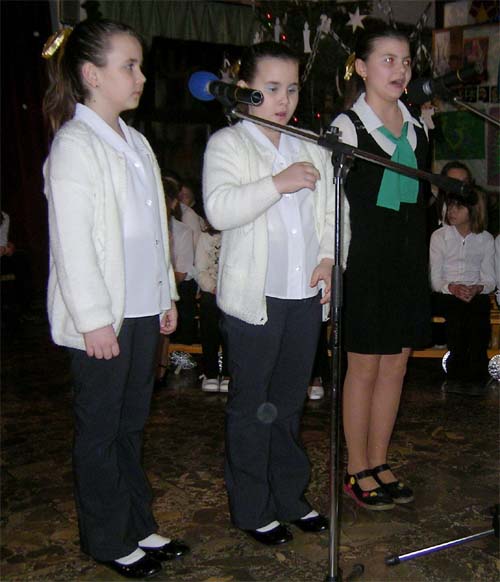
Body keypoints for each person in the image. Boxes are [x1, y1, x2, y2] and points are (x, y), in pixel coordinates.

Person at [42, 19, 188, 579]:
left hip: (142, 309)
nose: (141, 76)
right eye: (129, 65)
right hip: (103, 319)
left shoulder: (136, 141)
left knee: (131, 424)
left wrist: (165, 293)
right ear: (91, 75)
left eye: (140, 65)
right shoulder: (74, 145)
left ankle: (137, 523)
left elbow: (153, 233)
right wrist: (94, 320)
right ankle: (107, 538)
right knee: (100, 431)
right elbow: (73, 244)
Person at [203, 41, 339, 545]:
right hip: (254, 300)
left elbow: (332, 212)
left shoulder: (310, 145)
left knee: (288, 404)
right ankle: (252, 507)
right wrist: (276, 184)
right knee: (251, 407)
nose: (284, 100)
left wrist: (329, 257)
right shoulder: (229, 144)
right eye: (272, 88)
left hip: (303, 296)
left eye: (293, 89)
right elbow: (219, 209)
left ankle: (289, 497)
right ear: (245, 90)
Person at [332, 21, 431, 510]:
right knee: (365, 367)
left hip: (408, 261)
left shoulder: (418, 127)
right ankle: (356, 468)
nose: (400, 69)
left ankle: (380, 460)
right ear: (361, 67)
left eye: (405, 61)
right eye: (388, 59)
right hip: (366, 264)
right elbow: (330, 209)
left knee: (397, 364)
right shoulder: (347, 129)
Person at [430, 186, 495, 383]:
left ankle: (477, 372)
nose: (452, 211)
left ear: (473, 210)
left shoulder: (485, 239)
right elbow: (435, 280)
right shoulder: (439, 236)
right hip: (446, 293)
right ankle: (456, 372)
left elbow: (490, 279)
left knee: (478, 313)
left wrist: (477, 288)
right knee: (456, 313)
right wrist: (452, 287)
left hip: (474, 293)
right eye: (450, 206)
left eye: (458, 207)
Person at [194, 219, 230, 392]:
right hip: (212, 291)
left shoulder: (237, 233)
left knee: (231, 332)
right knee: (209, 324)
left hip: (234, 292)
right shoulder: (205, 237)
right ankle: (210, 373)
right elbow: (200, 270)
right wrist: (213, 287)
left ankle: (229, 374)